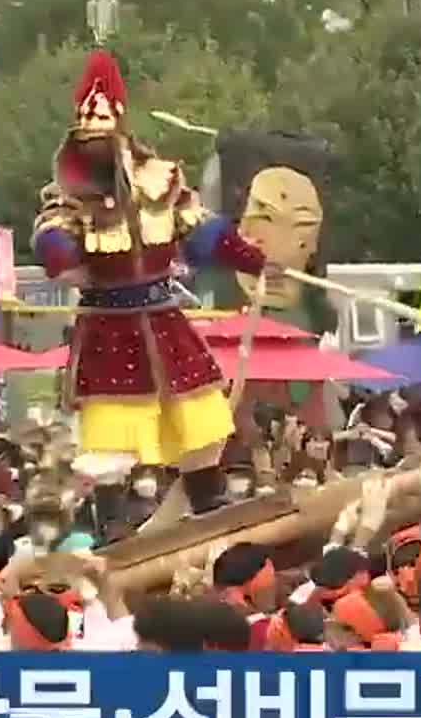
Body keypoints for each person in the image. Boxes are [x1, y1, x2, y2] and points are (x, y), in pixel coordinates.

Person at [33, 51, 278, 517]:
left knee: (200, 416)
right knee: (112, 434)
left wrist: (253, 258)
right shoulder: (67, 191)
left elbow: (201, 231)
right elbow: (54, 242)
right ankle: (112, 525)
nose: (95, 124)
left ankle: (208, 504)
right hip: (107, 324)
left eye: (103, 115)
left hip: (162, 317)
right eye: (88, 117)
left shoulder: (160, 178)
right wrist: (63, 254)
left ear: (121, 119)